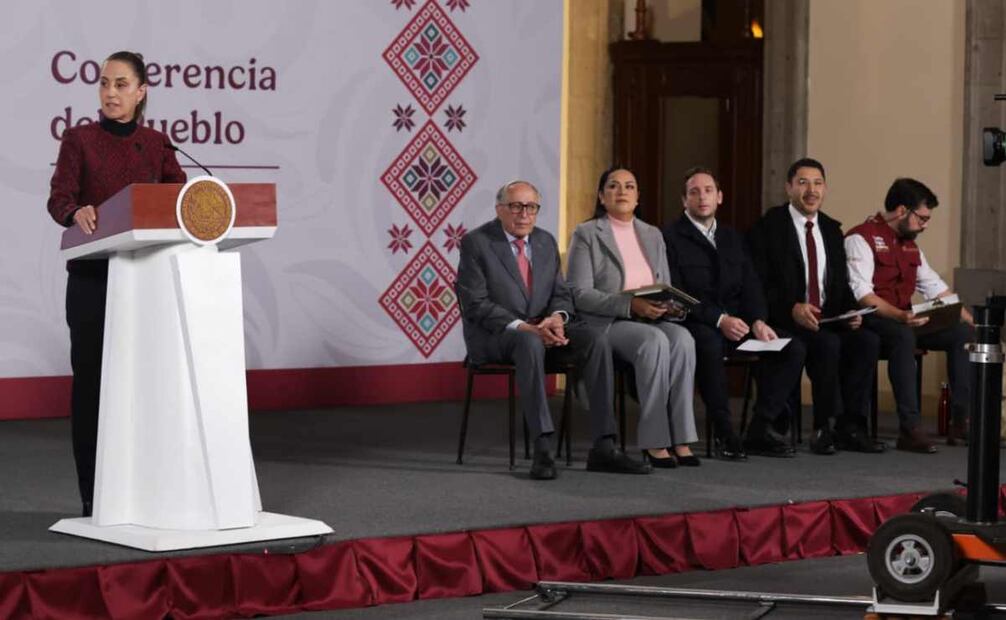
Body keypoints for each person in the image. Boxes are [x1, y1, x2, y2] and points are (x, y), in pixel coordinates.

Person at [47, 51, 186, 517]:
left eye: (122, 84)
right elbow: (59, 197)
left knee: (145, 387)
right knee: (92, 386)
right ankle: (94, 499)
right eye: (105, 83)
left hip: (146, 284)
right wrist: (75, 211)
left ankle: (146, 494)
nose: (110, 92)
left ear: (142, 90)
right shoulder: (79, 139)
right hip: (93, 281)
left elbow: (181, 198)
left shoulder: (157, 143)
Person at [456, 180, 650, 480]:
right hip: (498, 335)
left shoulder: (545, 241)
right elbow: (476, 304)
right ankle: (542, 446)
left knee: (596, 340)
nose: (524, 214)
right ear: (499, 210)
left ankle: (604, 446)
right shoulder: (476, 243)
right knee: (528, 343)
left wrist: (557, 318)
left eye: (531, 207)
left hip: (544, 330)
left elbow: (561, 294)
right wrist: (524, 327)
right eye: (516, 206)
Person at [663, 167, 806, 459]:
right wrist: (720, 320)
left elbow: (751, 283)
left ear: (720, 197)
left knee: (793, 348)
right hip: (697, 322)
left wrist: (758, 321)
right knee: (709, 345)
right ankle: (725, 433)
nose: (702, 197)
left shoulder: (732, 237)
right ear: (684, 200)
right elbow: (678, 293)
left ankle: (760, 427)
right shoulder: (670, 237)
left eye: (708, 191)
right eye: (694, 192)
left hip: (740, 324)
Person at [747, 158, 884, 455]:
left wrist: (850, 311)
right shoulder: (769, 227)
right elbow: (758, 282)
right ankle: (824, 426)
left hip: (827, 317)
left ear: (825, 189)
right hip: (784, 317)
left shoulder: (832, 230)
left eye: (818, 183)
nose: (811, 190)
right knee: (827, 344)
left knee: (867, 341)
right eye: (803, 183)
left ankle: (851, 426)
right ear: (788, 188)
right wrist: (792, 308)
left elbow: (839, 285)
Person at [566, 167, 699, 468]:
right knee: (653, 341)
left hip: (651, 317)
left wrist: (670, 306)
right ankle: (654, 442)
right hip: (608, 323)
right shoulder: (586, 234)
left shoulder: (653, 234)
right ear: (602, 196)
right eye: (613, 186)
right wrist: (630, 305)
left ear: (638, 197)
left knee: (684, 340)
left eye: (629, 186)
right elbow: (579, 293)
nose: (622, 191)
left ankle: (681, 437)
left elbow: (663, 283)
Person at [845, 178, 974, 453]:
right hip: (871, 318)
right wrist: (900, 317)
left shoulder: (910, 245)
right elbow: (862, 294)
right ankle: (910, 428)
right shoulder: (861, 238)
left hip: (903, 318)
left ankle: (962, 421)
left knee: (962, 333)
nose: (925, 225)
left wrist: (970, 319)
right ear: (902, 210)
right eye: (922, 218)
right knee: (903, 336)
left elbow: (934, 287)